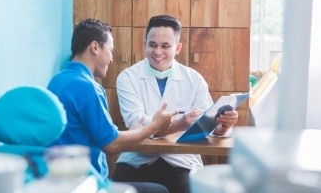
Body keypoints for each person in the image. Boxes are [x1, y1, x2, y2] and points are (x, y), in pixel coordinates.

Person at [111, 15, 239, 193]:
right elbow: (136, 124)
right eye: (152, 45)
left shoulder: (193, 79)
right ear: (144, 44)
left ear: (177, 48)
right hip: (137, 159)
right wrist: (179, 124)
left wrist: (224, 125)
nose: (157, 52)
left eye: (165, 46)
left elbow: (208, 126)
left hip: (181, 161)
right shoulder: (128, 77)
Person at [47, 18, 178, 192]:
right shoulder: (88, 87)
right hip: (87, 184)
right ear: (95, 47)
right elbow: (111, 146)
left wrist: (133, 133)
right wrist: (154, 126)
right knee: (159, 191)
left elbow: (98, 135)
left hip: (61, 180)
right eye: (110, 50)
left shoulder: (58, 80)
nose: (111, 59)